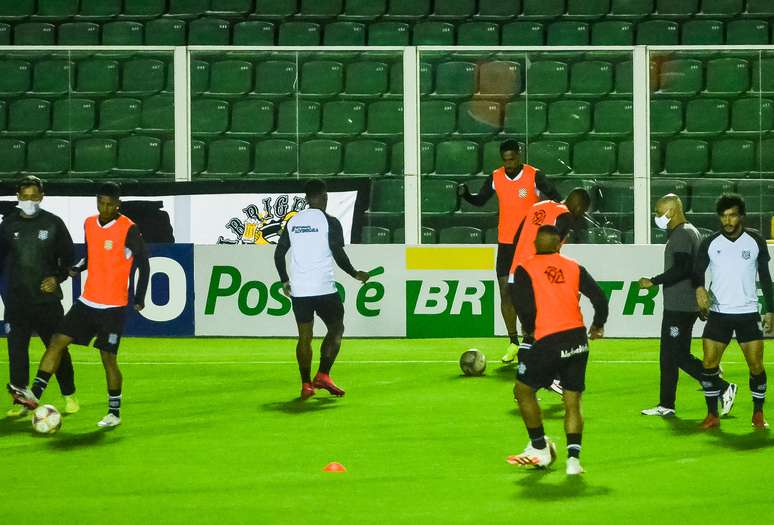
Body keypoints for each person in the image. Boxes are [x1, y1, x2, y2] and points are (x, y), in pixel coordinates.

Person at [7, 183, 150, 428]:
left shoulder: (129, 228)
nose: (104, 208)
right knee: (57, 342)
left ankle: (114, 413)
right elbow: (92, 255)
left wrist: (139, 297)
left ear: (118, 204)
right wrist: (78, 267)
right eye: (100, 202)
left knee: (108, 359)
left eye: (108, 204)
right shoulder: (89, 223)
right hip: (87, 301)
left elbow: (143, 263)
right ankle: (34, 394)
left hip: (113, 306)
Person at [508, 225, 608, 475]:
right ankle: (573, 462)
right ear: (558, 244)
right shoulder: (574, 266)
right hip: (577, 340)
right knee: (572, 401)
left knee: (522, 391)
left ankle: (540, 447)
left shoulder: (525, 268)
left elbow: (523, 307)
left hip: (548, 340)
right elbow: (599, 297)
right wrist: (597, 325)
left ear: (534, 244)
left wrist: (530, 331)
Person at [457, 140, 560, 364]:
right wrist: (466, 195)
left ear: (520, 155)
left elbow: (556, 198)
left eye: (512, 159)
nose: (509, 164)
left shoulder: (534, 175)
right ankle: (513, 341)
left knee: (530, 294)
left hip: (529, 245)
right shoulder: (495, 177)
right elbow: (481, 200)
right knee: (505, 292)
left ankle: (531, 339)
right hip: (505, 244)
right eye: (505, 160)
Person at [639, 194, 736, 417]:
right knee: (670, 356)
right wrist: (699, 299)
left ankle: (722, 387)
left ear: (670, 211)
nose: (657, 216)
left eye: (658, 211)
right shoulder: (691, 231)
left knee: (676, 355)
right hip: (684, 304)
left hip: (679, 306)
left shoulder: (682, 235)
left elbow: (682, 269)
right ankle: (666, 405)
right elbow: (695, 270)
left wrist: (653, 281)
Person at [274, 179, 370, 400]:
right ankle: (324, 374)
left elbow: (279, 254)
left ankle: (306, 384)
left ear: (307, 198)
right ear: (324, 197)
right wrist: (355, 273)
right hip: (324, 289)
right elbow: (337, 253)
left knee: (304, 338)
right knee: (336, 329)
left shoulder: (293, 222)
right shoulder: (330, 222)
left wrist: (284, 281)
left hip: (301, 291)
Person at [692, 194, 773, 430]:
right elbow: (697, 270)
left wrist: (771, 310)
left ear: (741, 217)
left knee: (756, 365)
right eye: (724, 216)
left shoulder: (755, 241)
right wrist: (699, 288)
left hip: (748, 313)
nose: (727, 220)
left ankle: (758, 413)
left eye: (732, 215)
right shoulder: (711, 242)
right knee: (709, 364)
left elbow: (766, 278)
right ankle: (711, 414)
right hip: (718, 314)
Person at [0, 176, 78, 417]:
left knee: (57, 350)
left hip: (47, 302)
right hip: (16, 302)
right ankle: (21, 401)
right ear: (18, 198)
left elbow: (70, 259)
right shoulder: (7, 226)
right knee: (17, 353)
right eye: (25, 197)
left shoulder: (54, 224)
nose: (29, 201)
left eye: (34, 197)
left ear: (42, 197)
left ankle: (69, 394)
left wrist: (57, 278)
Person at [507, 188, 592, 395]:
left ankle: (524, 383)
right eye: (582, 211)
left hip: (516, 273)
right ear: (578, 206)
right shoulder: (564, 216)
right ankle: (553, 378)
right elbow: (551, 251)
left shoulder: (538, 206)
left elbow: (517, 238)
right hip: (537, 275)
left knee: (530, 330)